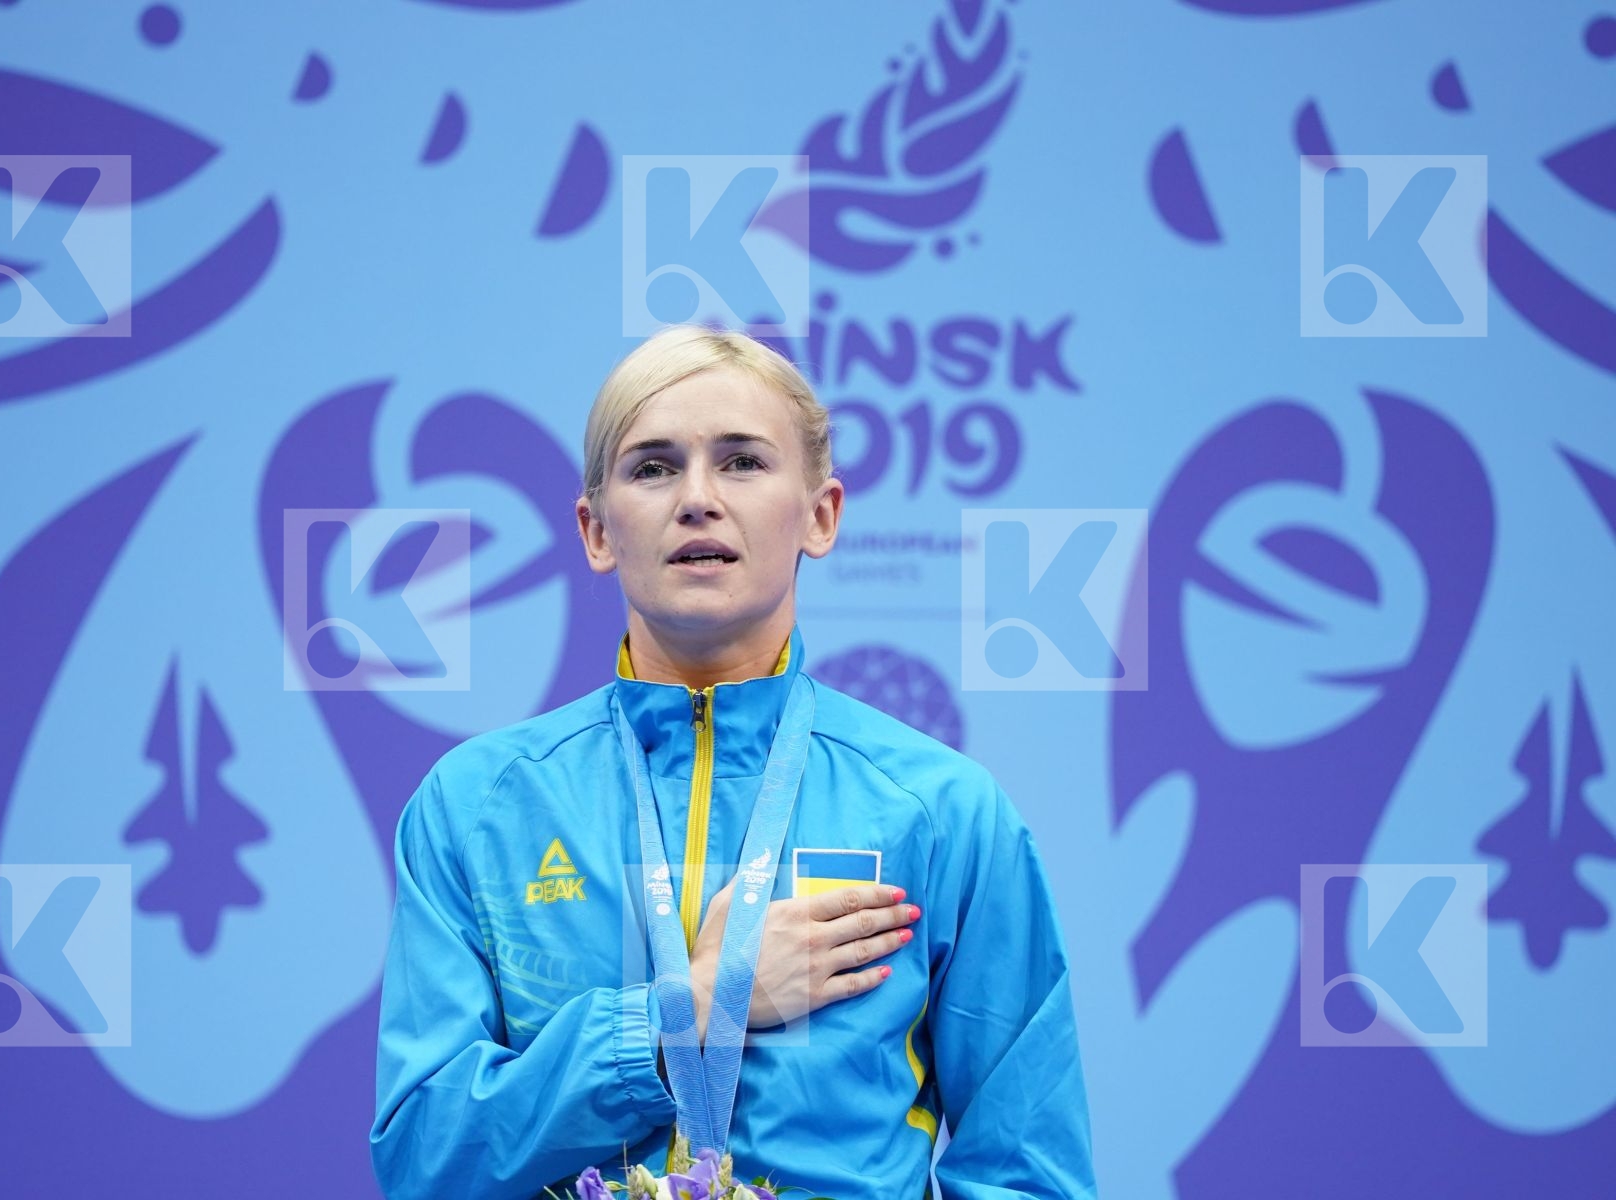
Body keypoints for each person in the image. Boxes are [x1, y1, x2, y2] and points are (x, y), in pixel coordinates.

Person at [370, 325, 1096, 1199]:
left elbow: (1027, 1173)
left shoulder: (942, 812)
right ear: (596, 530)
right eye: (652, 467)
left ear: (820, 515)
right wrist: (691, 1009)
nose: (697, 499)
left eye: (743, 461)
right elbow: (423, 1157)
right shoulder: (476, 806)